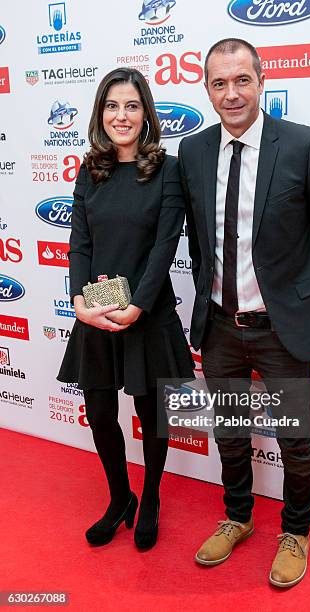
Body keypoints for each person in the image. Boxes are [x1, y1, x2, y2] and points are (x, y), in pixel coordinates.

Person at [178, 39, 310, 587]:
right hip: (221, 326)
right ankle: (238, 517)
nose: (231, 93)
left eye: (241, 81)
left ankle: (296, 531)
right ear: (207, 88)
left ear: (260, 81)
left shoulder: (303, 145)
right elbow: (200, 244)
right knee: (230, 431)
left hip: (282, 329)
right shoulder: (194, 151)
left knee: (294, 439)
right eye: (219, 83)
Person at [58, 68, 194, 550]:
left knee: (150, 411)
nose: (122, 115)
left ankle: (151, 496)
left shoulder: (167, 169)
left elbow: (164, 246)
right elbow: (80, 242)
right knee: (98, 410)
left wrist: (136, 305)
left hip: (147, 313)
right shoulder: (89, 169)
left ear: (146, 114)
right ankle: (121, 498)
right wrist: (80, 302)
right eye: (112, 106)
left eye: (132, 106)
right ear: (101, 113)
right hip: (96, 309)